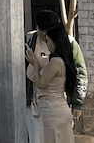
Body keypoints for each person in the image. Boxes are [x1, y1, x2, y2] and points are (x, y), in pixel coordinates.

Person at [25, 11, 84, 143]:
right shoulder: (30, 40)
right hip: (34, 101)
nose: (45, 40)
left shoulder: (68, 45)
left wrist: (77, 101)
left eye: (48, 37)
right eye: (42, 35)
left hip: (55, 105)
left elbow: (80, 72)